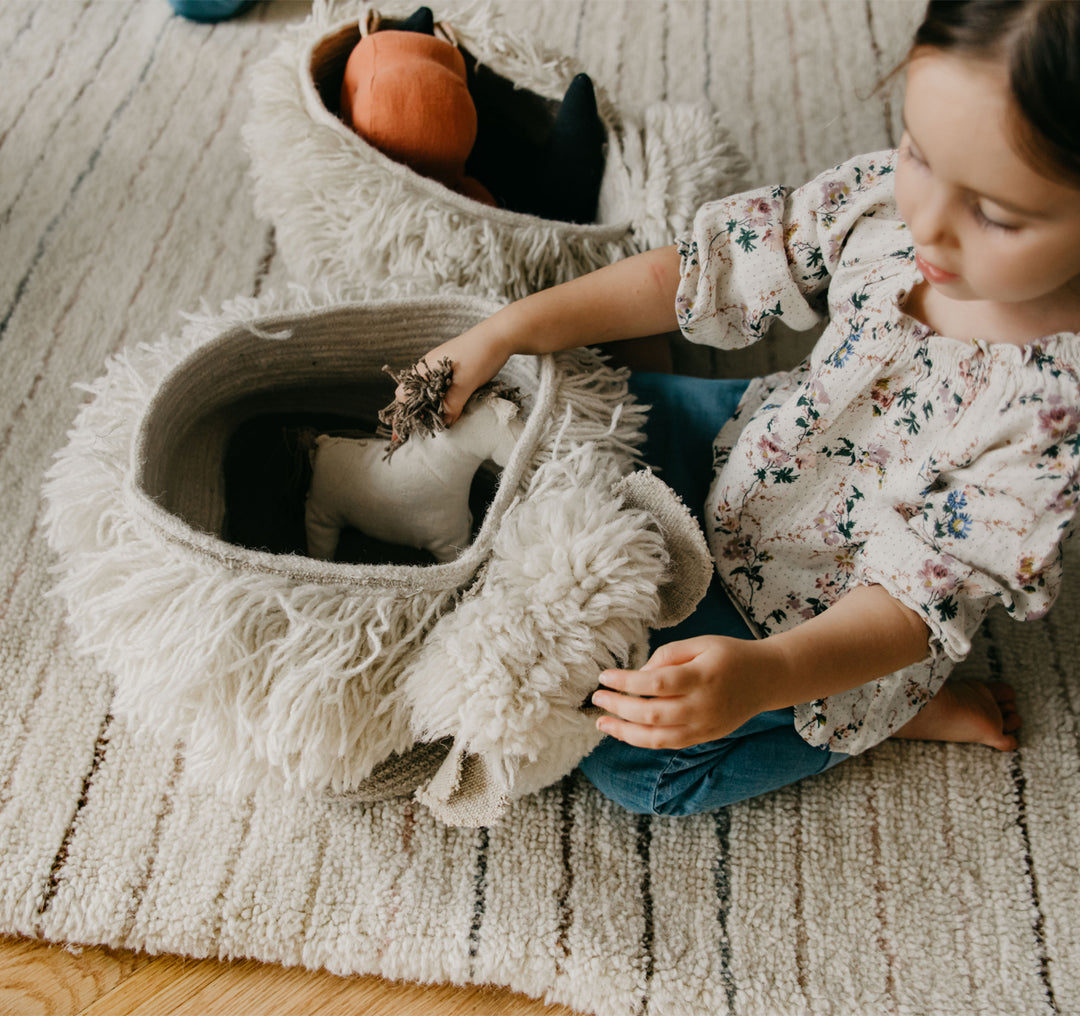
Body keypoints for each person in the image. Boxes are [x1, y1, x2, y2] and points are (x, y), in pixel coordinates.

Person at [402, 0, 1080, 815]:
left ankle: (885, 716)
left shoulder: (1053, 417)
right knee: (562, 418)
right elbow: (704, 269)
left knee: (637, 768)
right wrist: (507, 330)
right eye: (919, 153)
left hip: (825, 617)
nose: (929, 225)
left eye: (994, 215)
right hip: (757, 444)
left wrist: (766, 676)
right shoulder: (884, 207)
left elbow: (914, 600)